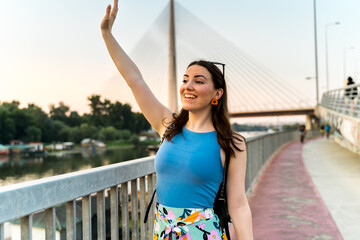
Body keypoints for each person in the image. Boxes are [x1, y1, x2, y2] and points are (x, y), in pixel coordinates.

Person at [101, 1, 253, 239]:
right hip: (163, 232)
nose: (188, 86)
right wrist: (107, 35)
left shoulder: (231, 143)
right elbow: (135, 79)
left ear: (217, 94)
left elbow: (239, 204)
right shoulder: (168, 126)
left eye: (199, 81)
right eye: (185, 79)